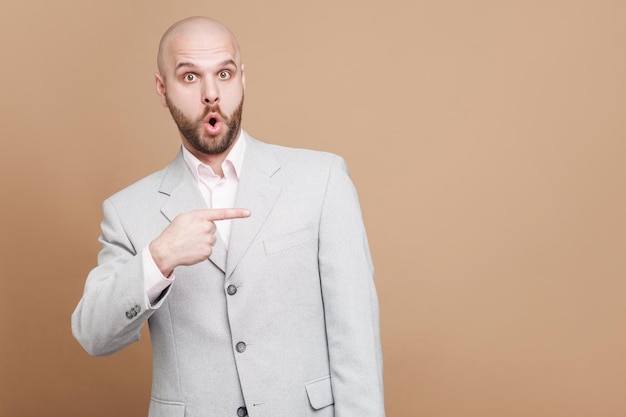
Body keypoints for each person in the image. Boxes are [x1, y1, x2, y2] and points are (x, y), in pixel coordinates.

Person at [72, 16, 385, 417]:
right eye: (189, 77)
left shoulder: (321, 180)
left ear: (242, 79)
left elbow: (356, 338)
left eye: (224, 73)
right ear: (161, 88)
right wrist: (159, 258)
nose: (211, 94)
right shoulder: (127, 210)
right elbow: (93, 335)